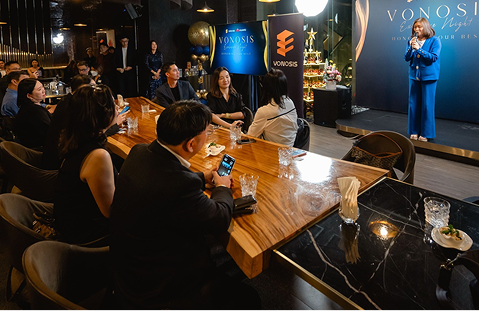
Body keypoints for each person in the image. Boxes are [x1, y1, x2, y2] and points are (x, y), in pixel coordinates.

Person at [111, 100, 259, 310]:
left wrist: (202, 177)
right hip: (158, 291)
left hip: (128, 272)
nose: (208, 135)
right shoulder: (179, 185)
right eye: (206, 132)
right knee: (249, 298)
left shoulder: (139, 152)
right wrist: (222, 187)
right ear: (191, 144)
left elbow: (165, 178)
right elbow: (219, 219)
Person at [54, 84, 117, 244]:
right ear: (103, 114)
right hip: (87, 238)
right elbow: (111, 211)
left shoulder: (74, 139)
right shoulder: (97, 155)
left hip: (69, 225)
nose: (117, 108)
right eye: (113, 104)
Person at [42, 75, 125, 170]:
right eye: (93, 88)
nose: (117, 108)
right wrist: (114, 124)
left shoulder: (69, 102)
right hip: (55, 163)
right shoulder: (97, 153)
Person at [405, 17, 441, 141]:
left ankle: (426, 133)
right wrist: (411, 47)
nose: (417, 29)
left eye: (419, 27)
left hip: (429, 77)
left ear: (425, 27)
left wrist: (419, 49)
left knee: (427, 105)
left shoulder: (435, 40)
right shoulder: (411, 40)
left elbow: (433, 57)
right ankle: (414, 131)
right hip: (414, 76)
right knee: (413, 104)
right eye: (415, 27)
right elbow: (406, 58)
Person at [247, 69, 298, 147]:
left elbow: (251, 135)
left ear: (266, 88)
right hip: (290, 148)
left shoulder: (264, 112)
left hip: (271, 151)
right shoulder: (290, 102)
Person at [12, 79, 52, 150]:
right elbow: (50, 131)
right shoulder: (33, 111)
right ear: (29, 95)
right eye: (39, 89)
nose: (43, 91)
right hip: (39, 150)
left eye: (42, 87)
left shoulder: (28, 107)